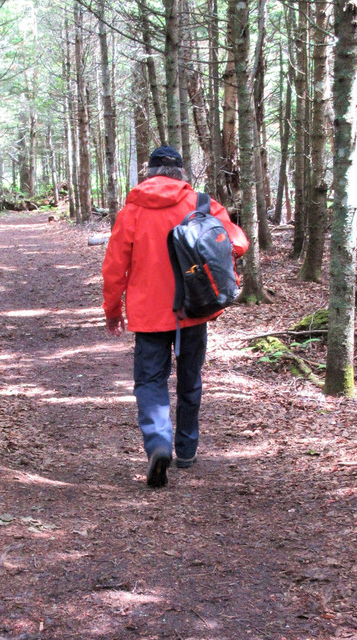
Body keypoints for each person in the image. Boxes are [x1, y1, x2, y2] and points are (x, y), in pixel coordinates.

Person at [101, 145, 249, 488]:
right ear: (181, 173)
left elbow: (113, 269)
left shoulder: (132, 210)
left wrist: (112, 312)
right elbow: (238, 243)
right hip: (194, 308)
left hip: (148, 315)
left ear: (149, 173)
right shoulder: (199, 204)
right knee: (190, 379)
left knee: (151, 382)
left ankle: (158, 444)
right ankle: (186, 450)